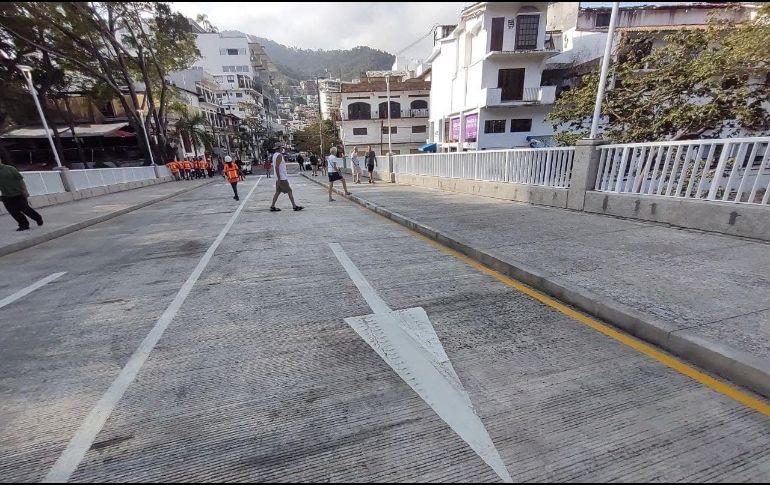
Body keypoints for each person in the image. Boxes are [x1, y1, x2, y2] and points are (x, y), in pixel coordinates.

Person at [0, 158, 44, 232]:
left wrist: (24, 190)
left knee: (25, 209)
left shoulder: (10, 169)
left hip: (18, 193)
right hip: (6, 195)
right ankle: (23, 224)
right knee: (13, 212)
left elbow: (20, 179)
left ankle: (37, 217)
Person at [270, 146, 303, 212]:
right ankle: (294, 206)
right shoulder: (279, 156)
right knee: (289, 190)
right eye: (281, 148)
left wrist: (278, 178)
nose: (282, 149)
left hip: (279, 177)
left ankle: (272, 206)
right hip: (282, 177)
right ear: (279, 148)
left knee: (278, 192)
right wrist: (279, 178)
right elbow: (277, 167)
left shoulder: (274, 155)